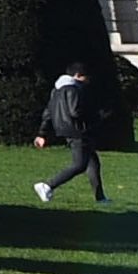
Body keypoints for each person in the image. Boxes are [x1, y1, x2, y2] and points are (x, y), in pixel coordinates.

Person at [36, 62, 114, 206]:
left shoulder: (56, 90)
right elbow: (75, 111)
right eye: (86, 77)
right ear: (78, 75)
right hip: (78, 130)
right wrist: (98, 116)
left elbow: (48, 112)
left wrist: (42, 133)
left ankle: (100, 198)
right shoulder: (74, 89)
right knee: (79, 165)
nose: (88, 81)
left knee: (93, 162)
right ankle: (48, 185)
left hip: (64, 129)